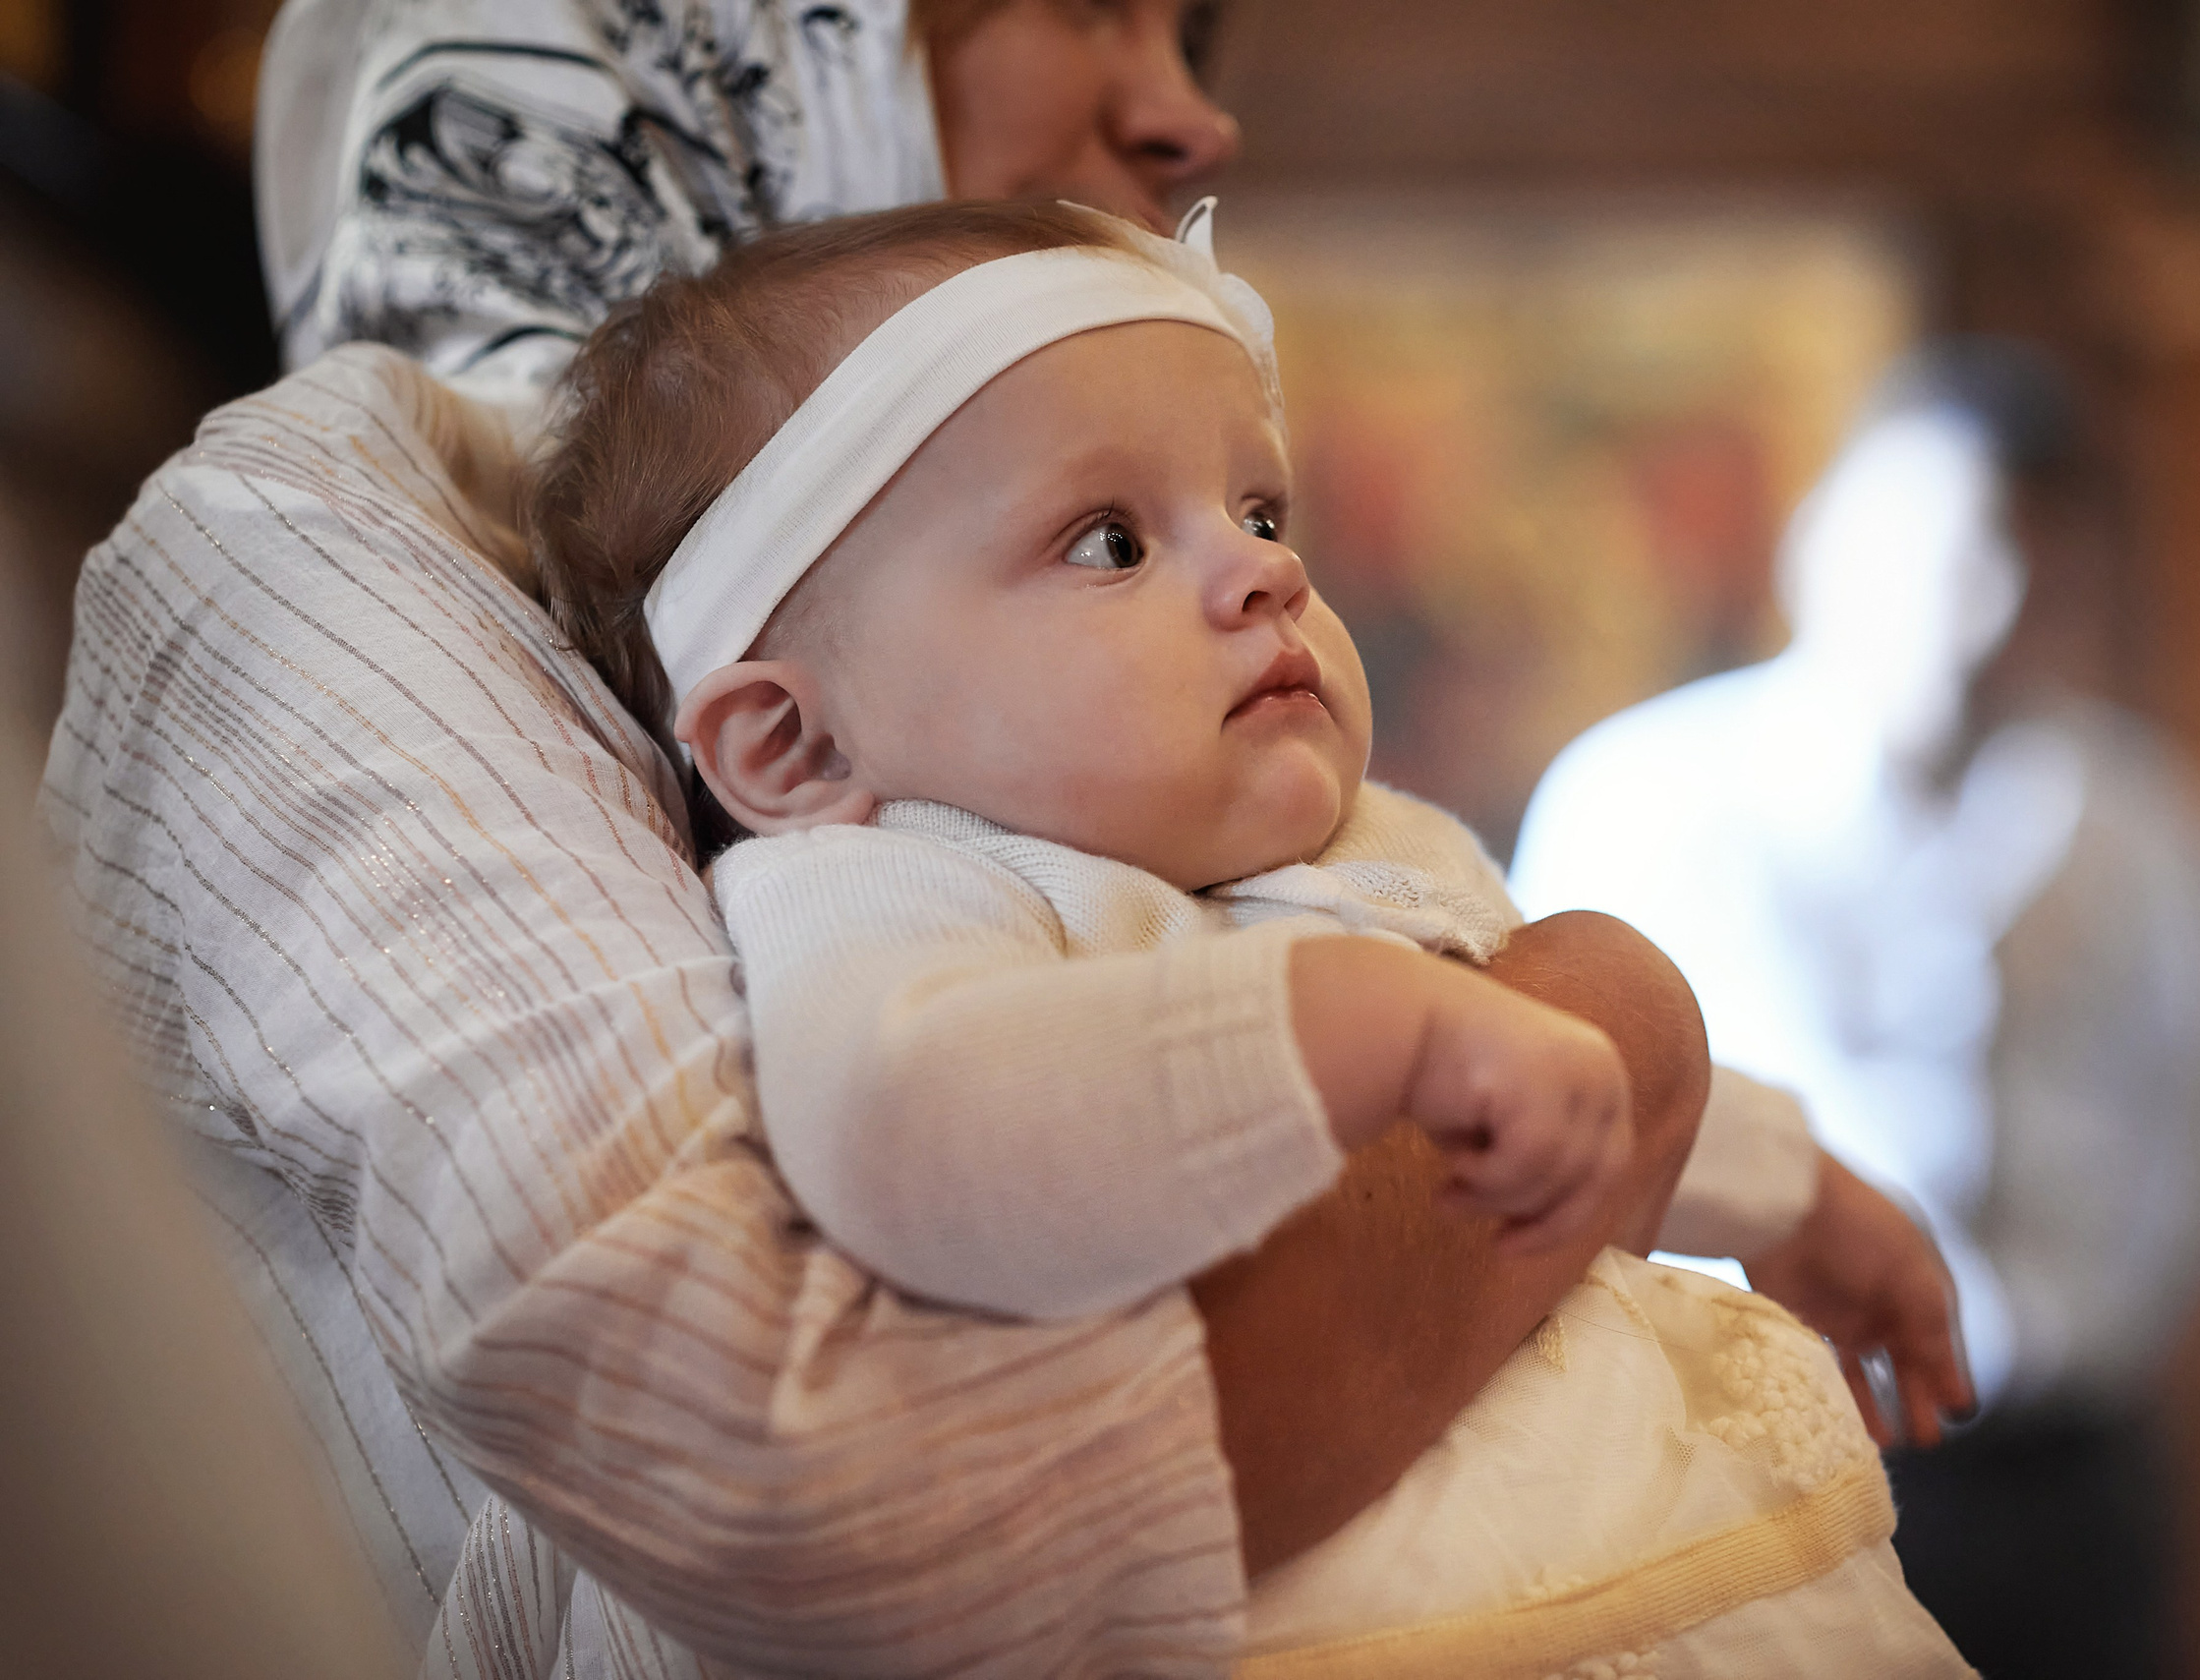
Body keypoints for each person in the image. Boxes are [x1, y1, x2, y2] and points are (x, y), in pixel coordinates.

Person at [39, 0, 1954, 1667]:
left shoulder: (1241, 807)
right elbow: (864, 1389)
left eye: (1267, 517)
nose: (1193, 120)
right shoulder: (858, 825)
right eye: (1078, 8)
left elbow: (1470, 978)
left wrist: (1770, 1172)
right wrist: (1598, 1027)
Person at [513, 194, 1972, 1672]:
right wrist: (1350, 1029)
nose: (1267, 571)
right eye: (1109, 540)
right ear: (792, 745)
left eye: (1264, 512)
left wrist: (1793, 1185)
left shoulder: (1370, 842)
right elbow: (905, 1121)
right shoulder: (906, 877)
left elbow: (1546, 1089)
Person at [1512, 339, 2200, 1678]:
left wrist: (2079, 1344)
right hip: (1739, 1473)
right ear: (1823, 542)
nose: (1981, 605)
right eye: (1947, 552)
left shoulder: (2144, 826)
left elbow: (2192, 1122)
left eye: (2034, 564)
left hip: (2068, 1472)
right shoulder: (1647, 804)